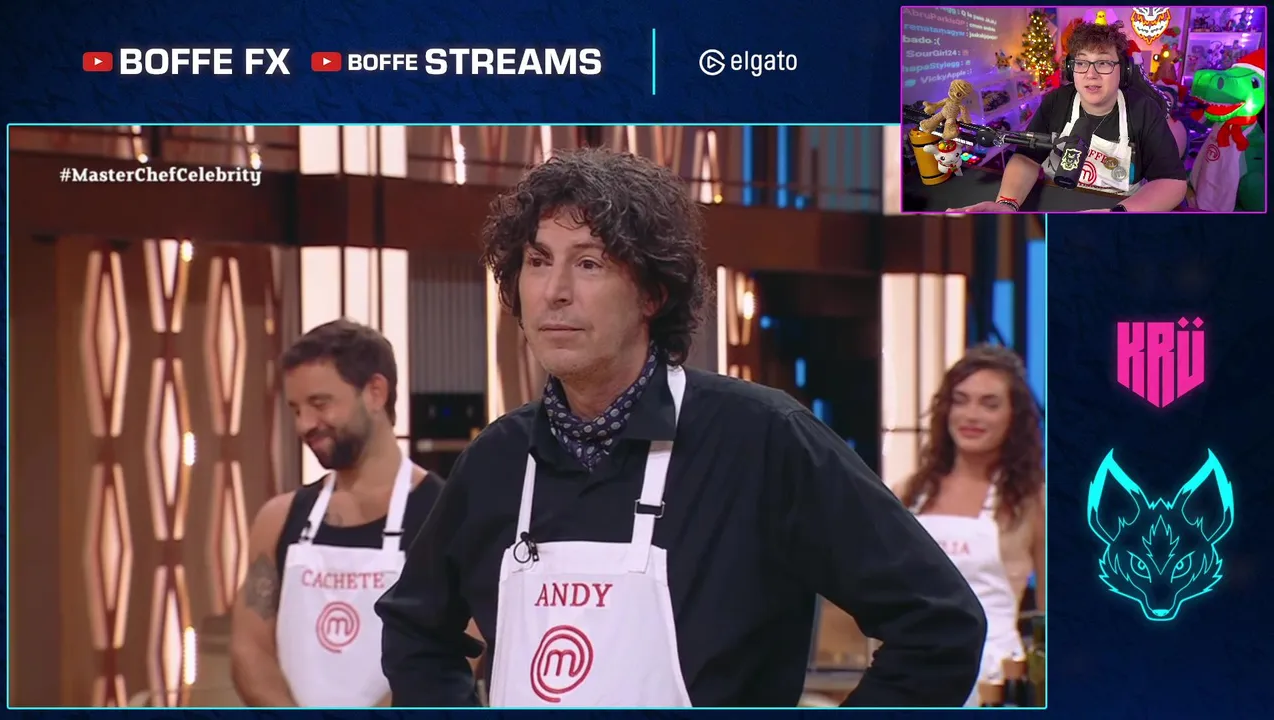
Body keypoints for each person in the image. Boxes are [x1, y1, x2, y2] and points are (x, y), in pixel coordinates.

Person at [375, 147, 987, 708]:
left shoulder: (762, 439)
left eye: (588, 263)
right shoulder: (498, 459)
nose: (554, 292)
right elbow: (415, 630)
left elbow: (939, 627)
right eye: (537, 261)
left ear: (653, 294)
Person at [229, 319, 444, 707]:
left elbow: (451, 656)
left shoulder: (445, 516)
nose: (304, 425)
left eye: (319, 404)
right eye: (296, 409)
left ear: (375, 392)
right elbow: (249, 651)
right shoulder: (278, 519)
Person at [893, 346, 1045, 707]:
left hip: (994, 681)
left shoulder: (1033, 501)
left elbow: (1050, 613)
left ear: (1014, 417)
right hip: (910, 673)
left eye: (989, 404)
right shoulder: (906, 493)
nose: (971, 415)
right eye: (960, 401)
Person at [955, 22, 1186, 212]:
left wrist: (1117, 214)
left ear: (1123, 70)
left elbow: (1171, 182)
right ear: (1070, 69)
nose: (1091, 74)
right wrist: (1007, 204)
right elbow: (1027, 158)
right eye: (1081, 63)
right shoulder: (1056, 102)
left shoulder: (1143, 109)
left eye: (1103, 63)